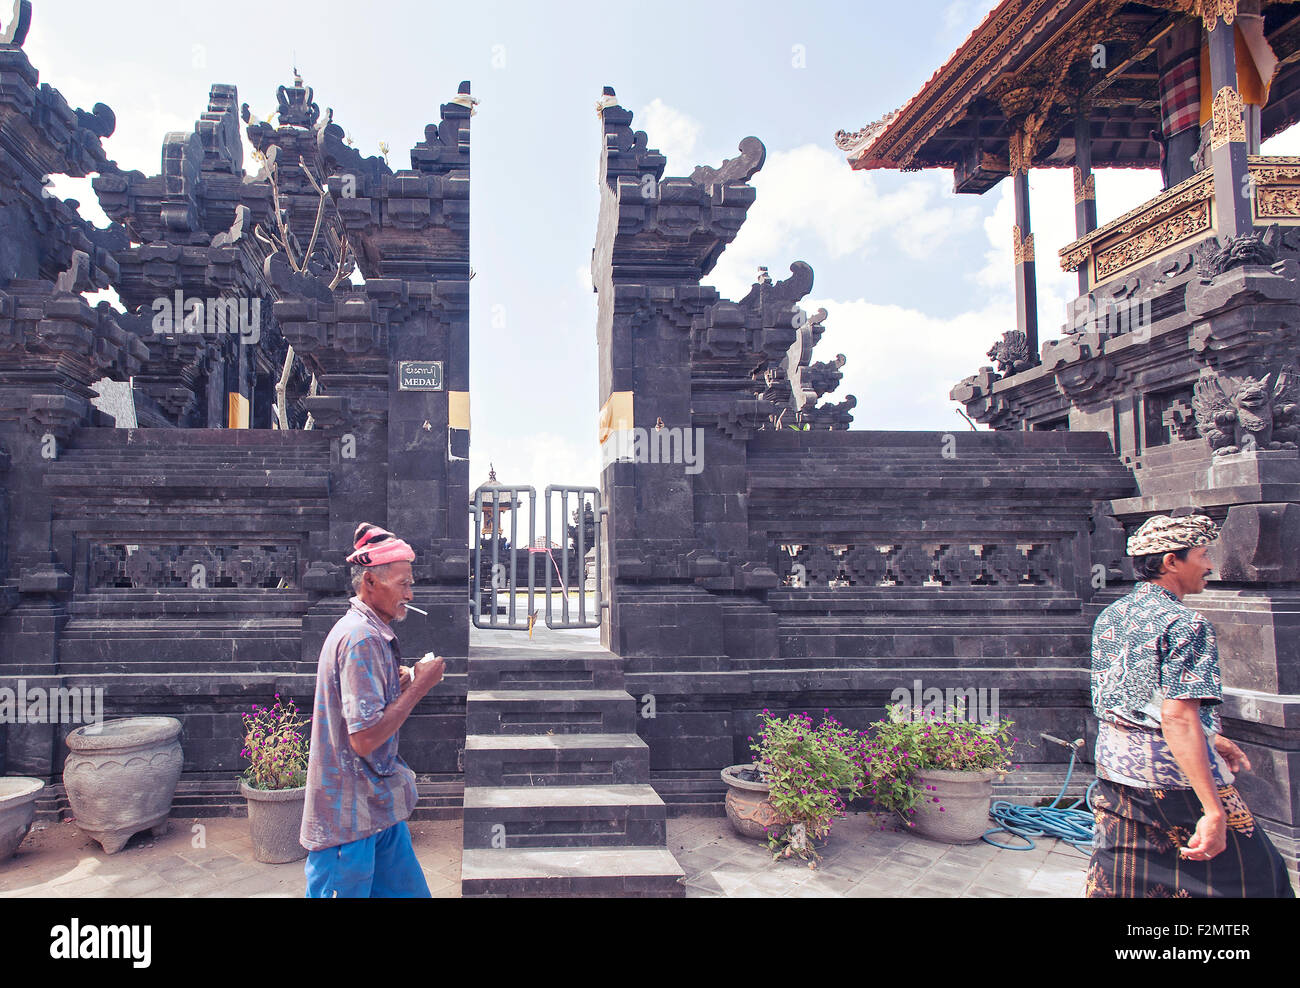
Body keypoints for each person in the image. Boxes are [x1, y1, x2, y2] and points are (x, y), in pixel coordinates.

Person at [1086, 514, 1294, 897]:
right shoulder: (1186, 624)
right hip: (1172, 784)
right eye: (1202, 554)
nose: (1210, 565)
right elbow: (1176, 716)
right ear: (1170, 561)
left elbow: (1132, 700)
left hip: (1117, 779)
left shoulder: (1111, 615)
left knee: (1123, 883)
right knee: (1261, 879)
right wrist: (1213, 811)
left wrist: (1210, 737)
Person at [300, 522, 446, 897]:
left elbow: (362, 708)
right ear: (369, 582)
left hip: (376, 810)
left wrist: (397, 685)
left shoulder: (369, 633)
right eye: (402, 584)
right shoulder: (360, 639)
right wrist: (420, 688)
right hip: (345, 824)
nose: (409, 594)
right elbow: (363, 740)